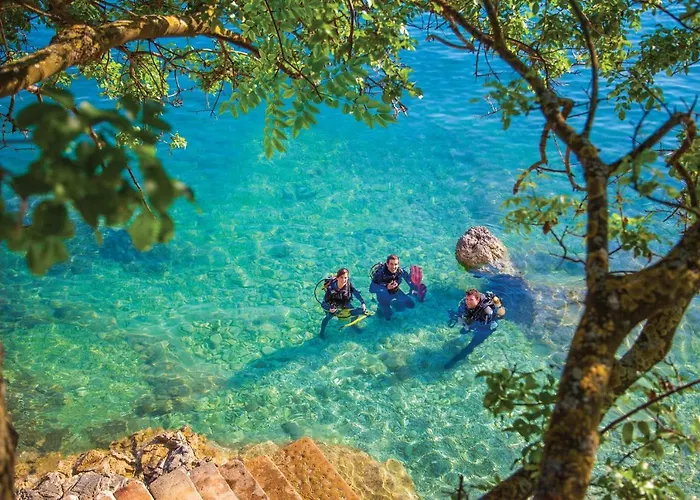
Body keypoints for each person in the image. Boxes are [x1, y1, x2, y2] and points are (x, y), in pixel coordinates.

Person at [444, 288, 506, 369]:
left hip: (486, 327)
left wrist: (467, 326)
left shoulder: (487, 311)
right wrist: (460, 319)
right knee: (463, 329)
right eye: (467, 299)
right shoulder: (464, 302)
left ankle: (454, 360)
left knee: (471, 345)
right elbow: (460, 313)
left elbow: (481, 326)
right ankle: (468, 329)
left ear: (478, 299)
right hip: (475, 319)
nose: (468, 302)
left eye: (471, 300)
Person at [369, 254, 422, 320]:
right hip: (383, 296)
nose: (394, 267)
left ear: (398, 264)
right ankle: (380, 308)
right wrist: (386, 287)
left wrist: (414, 288)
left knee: (411, 305)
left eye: (395, 264)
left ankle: (394, 303)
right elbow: (371, 289)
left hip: (395, 292)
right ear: (387, 264)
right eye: (391, 264)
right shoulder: (379, 275)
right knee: (388, 317)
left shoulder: (400, 271)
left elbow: (407, 279)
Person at [320, 268, 367, 339]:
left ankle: (353, 325)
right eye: (341, 277)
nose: (343, 280)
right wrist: (330, 308)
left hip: (344, 302)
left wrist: (362, 302)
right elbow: (323, 304)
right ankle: (321, 332)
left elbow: (355, 292)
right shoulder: (331, 288)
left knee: (358, 312)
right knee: (328, 317)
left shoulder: (348, 284)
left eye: (345, 278)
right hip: (334, 304)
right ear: (337, 278)